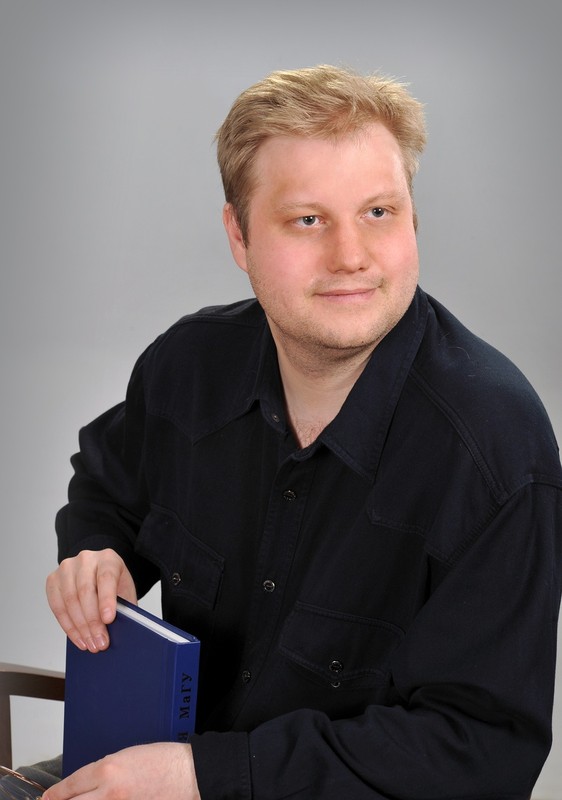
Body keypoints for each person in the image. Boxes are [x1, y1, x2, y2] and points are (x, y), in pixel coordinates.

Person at [35, 64, 562, 798]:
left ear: (414, 218)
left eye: (378, 211)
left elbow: (478, 751)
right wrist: (98, 552)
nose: (351, 256)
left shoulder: (496, 449)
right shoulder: (188, 365)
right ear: (239, 235)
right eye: (308, 220)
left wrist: (206, 778)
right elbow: (107, 488)